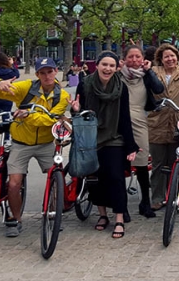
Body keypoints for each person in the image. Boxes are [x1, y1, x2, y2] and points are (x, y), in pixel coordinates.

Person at [0, 57, 70, 237]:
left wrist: (27, 116)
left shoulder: (62, 96)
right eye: (42, 72)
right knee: (14, 184)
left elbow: (51, 120)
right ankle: (16, 219)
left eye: (50, 71)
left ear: (56, 71)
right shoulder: (26, 87)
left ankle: (53, 214)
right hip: (21, 143)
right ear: (37, 74)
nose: (47, 76)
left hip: (46, 143)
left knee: (58, 178)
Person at [71, 51, 139, 238]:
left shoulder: (121, 87)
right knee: (95, 177)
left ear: (116, 68)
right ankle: (102, 215)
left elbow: (125, 116)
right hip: (91, 137)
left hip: (114, 136)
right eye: (104, 65)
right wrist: (75, 110)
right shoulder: (85, 85)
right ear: (97, 65)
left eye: (111, 65)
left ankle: (118, 217)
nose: (107, 69)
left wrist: (130, 144)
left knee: (116, 176)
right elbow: (79, 112)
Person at [119, 45, 164, 218]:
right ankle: (121, 205)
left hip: (139, 120)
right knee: (119, 163)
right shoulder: (117, 75)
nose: (134, 60)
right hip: (119, 121)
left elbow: (159, 89)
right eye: (131, 57)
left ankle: (145, 201)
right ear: (124, 59)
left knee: (142, 162)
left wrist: (149, 71)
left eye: (138, 56)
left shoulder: (146, 76)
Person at [148, 43, 179, 211]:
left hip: (177, 121)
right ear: (161, 58)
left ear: (178, 57)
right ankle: (157, 197)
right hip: (157, 122)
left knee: (174, 161)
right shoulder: (153, 72)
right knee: (158, 163)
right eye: (166, 56)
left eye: (173, 55)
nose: (170, 59)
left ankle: (173, 194)